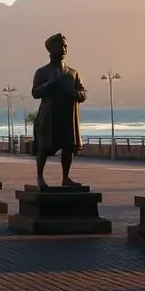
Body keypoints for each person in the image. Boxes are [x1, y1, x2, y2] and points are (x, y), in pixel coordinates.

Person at [31, 33, 87, 189]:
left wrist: (76, 94)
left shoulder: (73, 73)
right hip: (49, 115)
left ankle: (66, 177)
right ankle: (40, 176)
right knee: (44, 146)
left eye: (65, 46)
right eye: (59, 46)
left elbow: (83, 93)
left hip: (68, 116)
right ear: (50, 49)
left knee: (68, 146)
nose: (63, 49)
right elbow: (35, 93)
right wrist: (49, 84)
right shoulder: (42, 72)